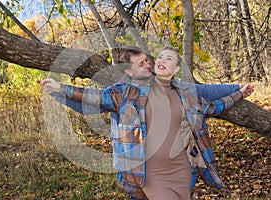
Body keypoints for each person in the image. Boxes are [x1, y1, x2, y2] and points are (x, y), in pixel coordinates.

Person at [38, 46, 253, 199]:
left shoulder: (180, 90)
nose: (148, 65)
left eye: (147, 60)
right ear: (128, 71)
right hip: (145, 174)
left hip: (181, 168)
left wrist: (238, 91)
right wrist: (58, 90)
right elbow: (88, 99)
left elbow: (211, 99)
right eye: (141, 64)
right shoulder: (121, 94)